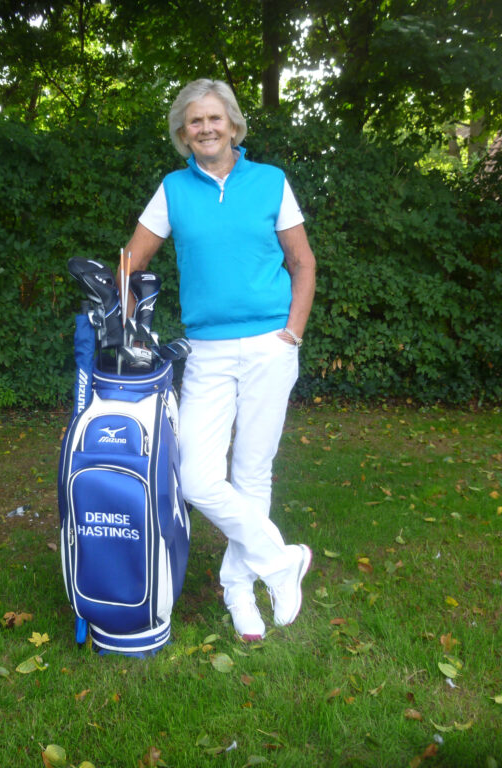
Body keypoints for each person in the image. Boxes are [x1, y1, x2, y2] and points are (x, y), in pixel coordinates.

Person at [122, 78, 316, 641]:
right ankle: (283, 559)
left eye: (214, 119)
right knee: (197, 478)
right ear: (183, 134)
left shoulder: (270, 182)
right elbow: (129, 262)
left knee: (252, 472)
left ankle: (238, 590)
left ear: (233, 124)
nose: (205, 129)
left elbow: (302, 263)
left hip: (269, 347)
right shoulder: (173, 190)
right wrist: (130, 321)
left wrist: (293, 334)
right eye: (193, 122)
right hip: (206, 350)